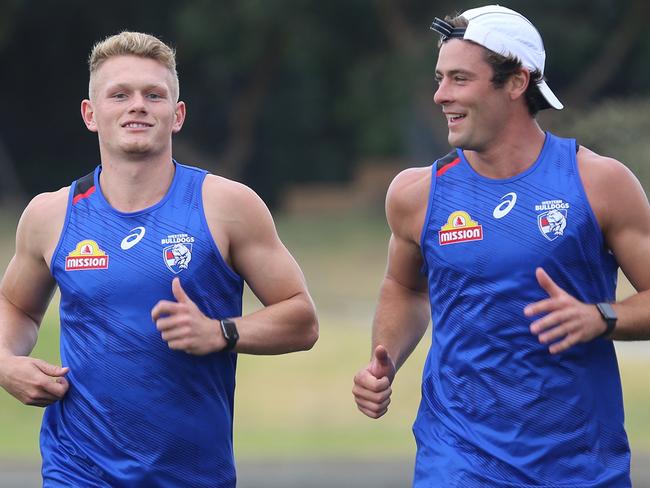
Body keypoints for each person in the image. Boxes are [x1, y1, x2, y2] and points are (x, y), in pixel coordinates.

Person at [0, 31, 318, 487]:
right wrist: (6, 364)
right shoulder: (51, 215)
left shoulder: (226, 206)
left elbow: (302, 319)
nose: (137, 106)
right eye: (119, 95)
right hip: (77, 471)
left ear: (177, 114)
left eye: (154, 94)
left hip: (191, 474)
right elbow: (15, 306)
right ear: (91, 114)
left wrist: (220, 332)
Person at [352, 5, 650, 487]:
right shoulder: (416, 194)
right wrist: (382, 360)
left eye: (459, 79)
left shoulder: (598, 182)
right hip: (457, 460)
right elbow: (405, 288)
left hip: (579, 465)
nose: (440, 95)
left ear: (516, 83)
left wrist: (601, 317)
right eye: (439, 77)